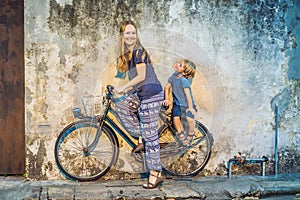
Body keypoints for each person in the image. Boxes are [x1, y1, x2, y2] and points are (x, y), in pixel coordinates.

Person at [113, 20, 164, 189]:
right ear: (122, 36)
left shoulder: (138, 51)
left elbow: (141, 76)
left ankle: (156, 173)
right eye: (127, 33)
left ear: (137, 35)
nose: (130, 36)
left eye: (133, 33)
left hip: (152, 94)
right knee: (121, 105)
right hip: (142, 93)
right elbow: (136, 81)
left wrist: (122, 87)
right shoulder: (128, 55)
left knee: (151, 137)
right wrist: (123, 92)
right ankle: (143, 137)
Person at [163, 59, 197, 146]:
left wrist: (190, 107)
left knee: (190, 119)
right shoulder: (174, 76)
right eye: (179, 63)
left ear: (184, 73)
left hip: (186, 104)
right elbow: (167, 87)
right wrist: (166, 99)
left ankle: (191, 134)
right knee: (175, 119)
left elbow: (188, 95)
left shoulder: (183, 81)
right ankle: (180, 134)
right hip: (177, 104)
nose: (178, 64)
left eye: (181, 65)